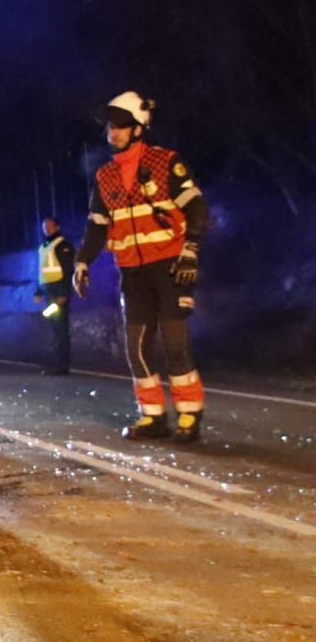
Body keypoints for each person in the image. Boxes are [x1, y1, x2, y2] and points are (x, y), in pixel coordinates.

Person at [73, 92, 207, 442]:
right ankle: (153, 416)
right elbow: (97, 225)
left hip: (171, 267)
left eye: (119, 126)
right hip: (132, 272)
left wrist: (191, 247)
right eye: (109, 127)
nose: (111, 133)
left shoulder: (166, 162)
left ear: (138, 128)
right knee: (136, 348)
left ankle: (189, 416)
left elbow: (196, 207)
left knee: (176, 345)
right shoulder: (106, 177)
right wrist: (83, 261)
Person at [34, 216, 74, 375]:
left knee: (61, 328)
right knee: (55, 328)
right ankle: (57, 363)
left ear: (57, 227)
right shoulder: (44, 246)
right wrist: (38, 291)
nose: (47, 228)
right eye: (45, 226)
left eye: (50, 226)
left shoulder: (63, 245)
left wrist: (64, 293)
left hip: (58, 291)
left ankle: (62, 366)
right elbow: (41, 270)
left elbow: (68, 269)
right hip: (48, 290)